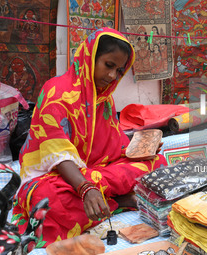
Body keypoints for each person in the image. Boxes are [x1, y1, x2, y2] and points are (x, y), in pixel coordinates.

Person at [12, 28, 167, 247]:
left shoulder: (104, 98)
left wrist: (141, 149)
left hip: (95, 172)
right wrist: (86, 188)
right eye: (109, 65)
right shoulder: (56, 93)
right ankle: (117, 201)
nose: (113, 76)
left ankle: (107, 200)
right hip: (57, 176)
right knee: (46, 199)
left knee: (156, 163)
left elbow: (114, 143)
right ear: (90, 57)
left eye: (119, 70)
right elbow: (58, 155)